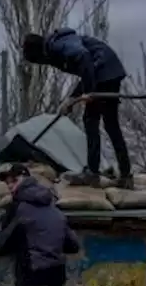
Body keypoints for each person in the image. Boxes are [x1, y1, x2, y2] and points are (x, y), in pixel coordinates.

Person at [21, 28, 132, 189]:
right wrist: (72, 99)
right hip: (108, 70)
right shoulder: (57, 45)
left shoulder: (59, 45)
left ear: (39, 53)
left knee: (91, 120)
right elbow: (87, 69)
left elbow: (83, 57)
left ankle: (92, 173)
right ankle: (126, 175)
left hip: (104, 71)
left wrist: (88, 91)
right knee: (110, 124)